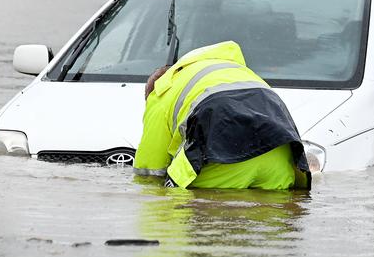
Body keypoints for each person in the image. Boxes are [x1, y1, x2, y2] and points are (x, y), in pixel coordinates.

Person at [133, 40, 310, 189]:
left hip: (219, 158)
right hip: (279, 159)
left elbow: (150, 168)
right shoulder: (235, 72)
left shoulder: (161, 90)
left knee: (176, 209)